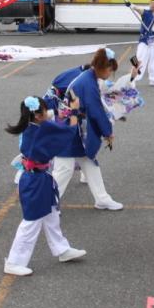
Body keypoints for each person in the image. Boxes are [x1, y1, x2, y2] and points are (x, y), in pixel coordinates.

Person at [3, 96, 87, 276]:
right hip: (35, 181)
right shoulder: (43, 129)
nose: (48, 112)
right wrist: (73, 111)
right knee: (31, 223)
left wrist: (64, 112)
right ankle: (13, 262)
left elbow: (57, 125)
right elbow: (69, 131)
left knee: (51, 214)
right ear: (38, 115)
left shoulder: (31, 127)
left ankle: (61, 249)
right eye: (45, 110)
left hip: (37, 178)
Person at [50, 48, 123, 210]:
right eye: (110, 70)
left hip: (72, 126)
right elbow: (96, 110)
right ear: (103, 67)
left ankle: (102, 198)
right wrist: (108, 132)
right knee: (64, 169)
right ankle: (47, 203)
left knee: (89, 162)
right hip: (68, 128)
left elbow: (94, 109)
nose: (110, 74)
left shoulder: (88, 78)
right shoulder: (88, 82)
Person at [130, 0, 154, 86]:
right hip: (144, 40)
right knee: (138, 59)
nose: (152, 5)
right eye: (151, 3)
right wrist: (132, 6)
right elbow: (139, 10)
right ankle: (132, 78)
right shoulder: (146, 13)